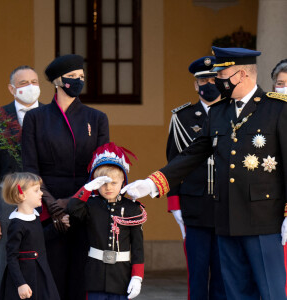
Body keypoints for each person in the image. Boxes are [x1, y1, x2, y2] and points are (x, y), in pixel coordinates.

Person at [122, 46, 287, 300]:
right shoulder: (219, 113)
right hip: (226, 221)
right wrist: (153, 183)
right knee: (234, 293)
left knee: (270, 293)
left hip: (263, 221)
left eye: (222, 74)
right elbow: (193, 154)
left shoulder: (277, 110)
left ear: (241, 75)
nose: (218, 80)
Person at [21, 54, 110, 300]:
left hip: (85, 205)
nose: (79, 81)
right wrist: (53, 205)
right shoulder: (35, 118)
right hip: (47, 207)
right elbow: (30, 168)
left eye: (81, 77)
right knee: (51, 276)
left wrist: (72, 203)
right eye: (73, 77)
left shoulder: (97, 118)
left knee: (81, 278)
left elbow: (101, 170)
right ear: (58, 81)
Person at [167, 56, 226, 300]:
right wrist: (174, 204)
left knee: (225, 276)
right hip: (194, 206)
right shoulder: (182, 117)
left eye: (214, 78)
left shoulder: (234, 113)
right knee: (197, 274)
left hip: (228, 206)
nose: (209, 84)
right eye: (203, 79)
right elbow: (173, 162)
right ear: (195, 84)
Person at [0, 65, 42, 300]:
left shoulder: (51, 115)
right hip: (6, 199)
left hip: (43, 197)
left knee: (43, 259)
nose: (30, 87)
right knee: (5, 261)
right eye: (23, 83)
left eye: (34, 81)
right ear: (12, 89)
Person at [65, 142, 145, 300]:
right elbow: (72, 209)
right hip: (95, 276)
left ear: (123, 181)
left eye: (114, 183)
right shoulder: (90, 205)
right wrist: (86, 189)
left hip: (122, 276)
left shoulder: (132, 209)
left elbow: (137, 247)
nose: (108, 187)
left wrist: (137, 277)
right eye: (103, 183)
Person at [0, 172, 60, 300]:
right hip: (25, 277)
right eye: (36, 190)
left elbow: (38, 238)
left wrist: (57, 226)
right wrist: (20, 283)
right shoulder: (17, 224)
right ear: (22, 195)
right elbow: (11, 257)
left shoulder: (35, 216)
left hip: (41, 274)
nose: (41, 193)